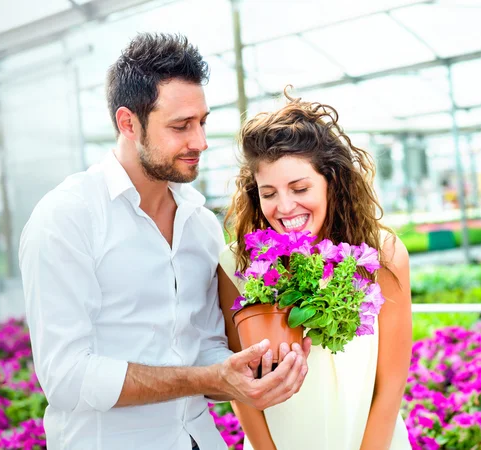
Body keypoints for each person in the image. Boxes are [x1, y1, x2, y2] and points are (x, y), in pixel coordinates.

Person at [19, 34, 310, 450]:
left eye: (203, 121)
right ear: (128, 123)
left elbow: (206, 343)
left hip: (199, 439)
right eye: (180, 127)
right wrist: (208, 378)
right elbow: (66, 377)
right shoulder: (66, 218)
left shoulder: (200, 223)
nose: (201, 142)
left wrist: (249, 374)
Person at [218, 90, 412, 450]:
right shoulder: (235, 265)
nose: (285, 206)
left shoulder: (381, 254)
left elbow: (391, 382)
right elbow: (241, 389)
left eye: (300, 187)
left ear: (332, 182)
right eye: (269, 192)